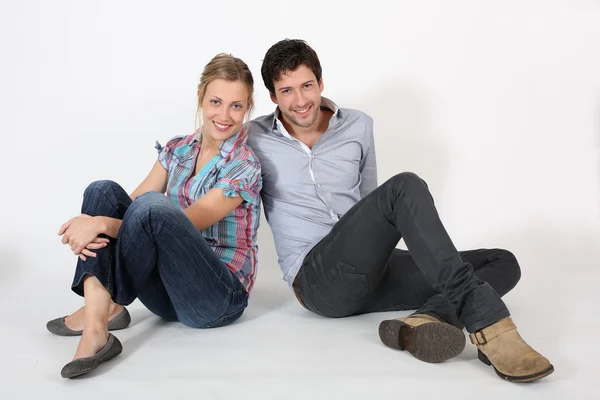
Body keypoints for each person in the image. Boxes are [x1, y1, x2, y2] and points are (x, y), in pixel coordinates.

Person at [247, 39, 553, 383]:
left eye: (306, 86)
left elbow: (369, 201)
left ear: (320, 82)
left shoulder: (358, 125)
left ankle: (424, 320)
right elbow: (213, 163)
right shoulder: (253, 139)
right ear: (273, 97)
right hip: (318, 282)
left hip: (372, 269)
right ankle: (489, 326)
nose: (300, 101)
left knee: (501, 261)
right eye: (286, 91)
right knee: (404, 186)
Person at [47, 53, 262, 378]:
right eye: (216, 101)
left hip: (218, 297)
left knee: (153, 209)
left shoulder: (245, 165)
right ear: (200, 98)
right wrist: (97, 217)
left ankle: (106, 308)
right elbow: (129, 206)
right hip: (167, 294)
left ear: (247, 108)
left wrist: (99, 225)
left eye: (237, 105)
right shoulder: (178, 149)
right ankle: (98, 323)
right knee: (101, 192)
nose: (225, 115)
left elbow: (182, 222)